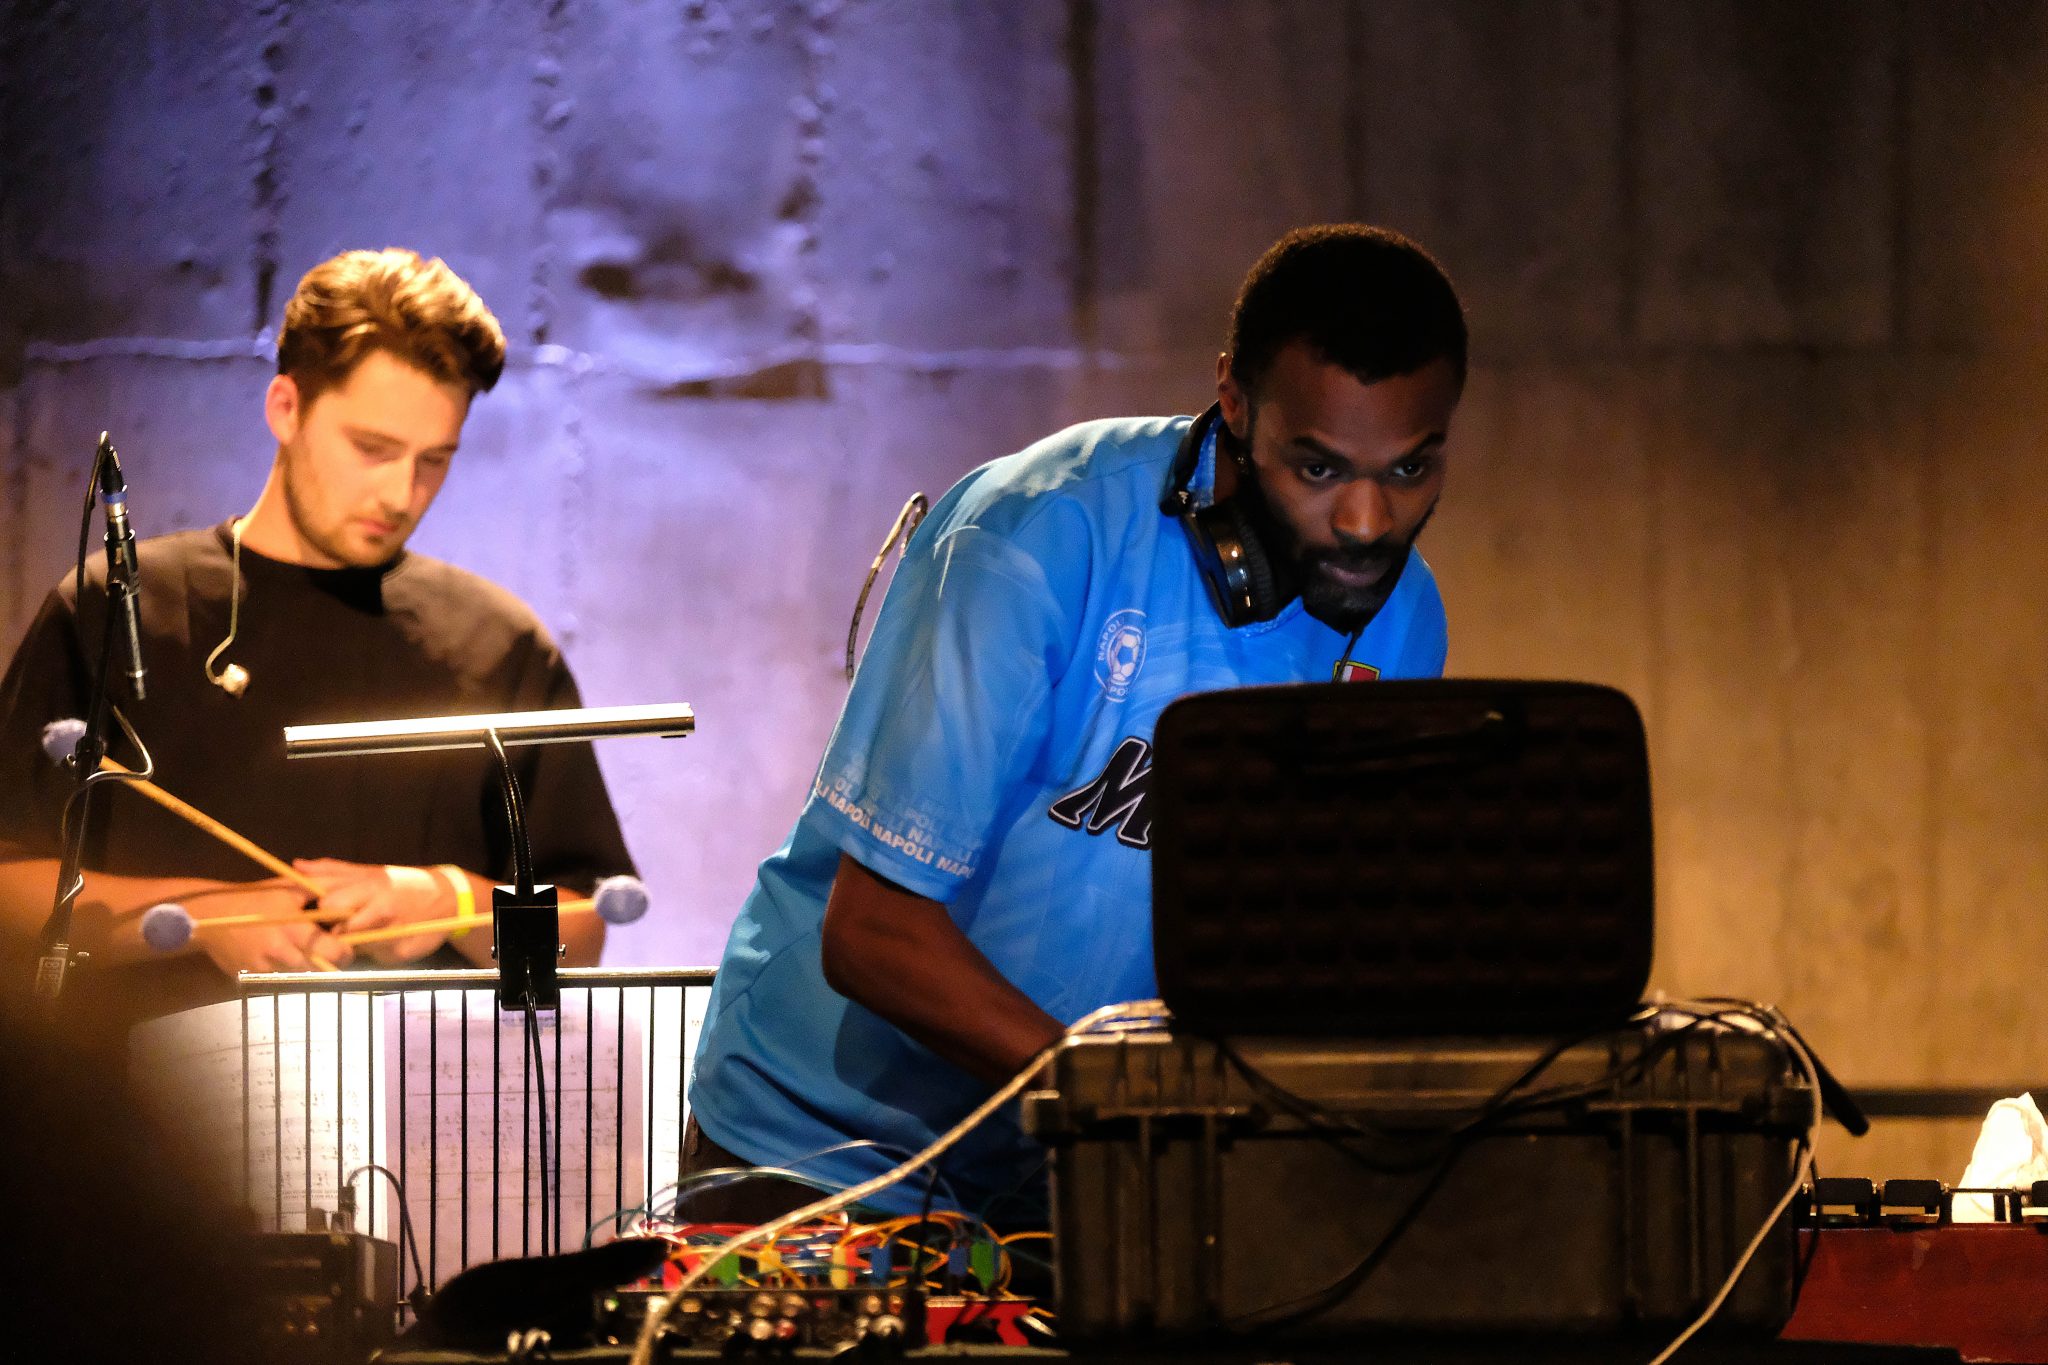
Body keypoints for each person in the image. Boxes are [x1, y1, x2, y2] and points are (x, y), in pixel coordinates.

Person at [685, 224, 1467, 1220]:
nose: (1365, 522)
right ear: (1231, 399)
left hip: (1065, 1162)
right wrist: (1131, 1098)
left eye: (1408, 470)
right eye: (1315, 470)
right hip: (819, 1150)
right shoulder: (1030, 539)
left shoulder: (1404, 623)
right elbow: (874, 936)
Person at [0, 248, 635, 1030]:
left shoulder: (498, 644)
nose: (401, 494)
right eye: (372, 449)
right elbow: (9, 890)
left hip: (418, 1118)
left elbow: (584, 934)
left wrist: (451, 900)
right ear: (285, 407)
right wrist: (210, 916)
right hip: (152, 1125)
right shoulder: (120, 607)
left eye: (434, 461)